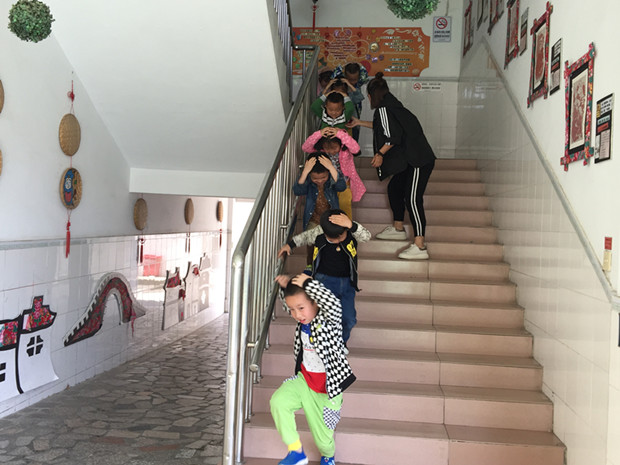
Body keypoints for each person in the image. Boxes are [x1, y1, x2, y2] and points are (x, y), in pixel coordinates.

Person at [347, 72, 436, 260]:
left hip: (418, 160)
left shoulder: (384, 109)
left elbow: (391, 137)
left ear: (370, 96)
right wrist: (359, 122)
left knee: (413, 199)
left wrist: (380, 154)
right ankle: (398, 228)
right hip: (411, 159)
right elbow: (385, 127)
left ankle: (419, 245)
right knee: (394, 188)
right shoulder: (393, 106)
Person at [271, 273, 356, 465]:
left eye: (301, 308)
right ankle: (296, 451)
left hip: (327, 390)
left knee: (324, 440)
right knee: (278, 402)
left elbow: (332, 303)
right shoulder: (303, 321)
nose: (297, 314)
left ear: (316, 302)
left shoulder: (330, 322)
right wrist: (285, 288)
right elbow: (291, 303)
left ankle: (328, 456)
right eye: (293, 310)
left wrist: (309, 284)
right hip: (304, 381)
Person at [278, 209, 371, 348]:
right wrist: (290, 245)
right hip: (324, 280)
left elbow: (366, 236)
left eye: (341, 237)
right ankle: (320, 341)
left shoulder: (351, 229)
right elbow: (305, 237)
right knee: (322, 315)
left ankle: (340, 342)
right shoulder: (319, 232)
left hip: (347, 283)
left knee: (349, 318)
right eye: (333, 239)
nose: (338, 240)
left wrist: (351, 225)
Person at [302, 127, 366, 219]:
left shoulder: (345, 150)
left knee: (345, 202)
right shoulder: (321, 151)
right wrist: (318, 134)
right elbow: (305, 147)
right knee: (329, 206)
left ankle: (347, 224)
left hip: (344, 181)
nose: (331, 152)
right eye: (327, 148)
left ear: (341, 144)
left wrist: (341, 134)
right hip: (327, 184)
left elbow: (356, 149)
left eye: (335, 148)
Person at [294, 153, 347, 264]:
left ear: (328, 173)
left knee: (330, 246)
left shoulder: (331, 181)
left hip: (330, 220)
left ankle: (328, 265)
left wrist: (331, 168)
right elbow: (298, 190)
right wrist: (305, 172)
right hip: (313, 219)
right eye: (315, 178)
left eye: (323, 177)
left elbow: (341, 186)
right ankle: (311, 266)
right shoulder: (309, 182)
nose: (319, 181)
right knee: (311, 244)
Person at [332, 63, 369, 141]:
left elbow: (360, 97)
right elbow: (333, 76)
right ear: (345, 76)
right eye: (350, 79)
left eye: (355, 79)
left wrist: (358, 64)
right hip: (339, 121)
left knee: (353, 138)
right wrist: (344, 65)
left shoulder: (358, 84)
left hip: (353, 120)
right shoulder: (342, 87)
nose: (353, 82)